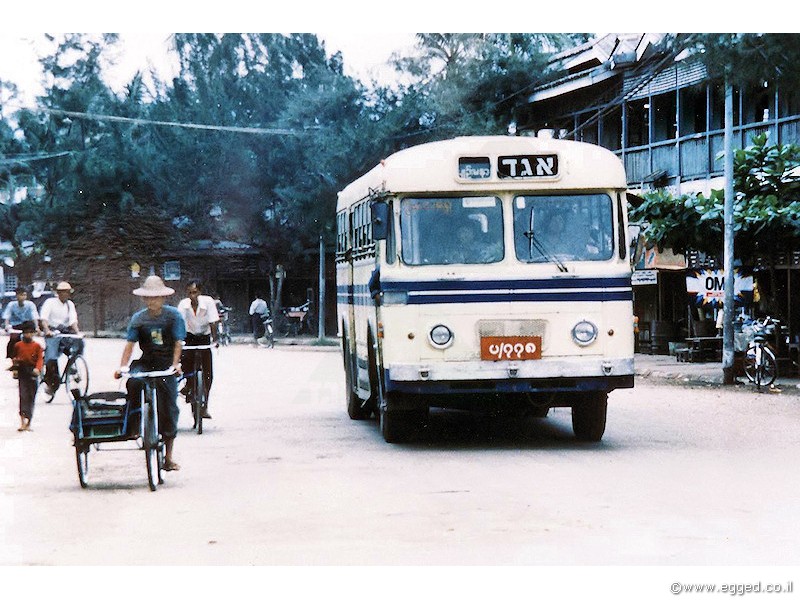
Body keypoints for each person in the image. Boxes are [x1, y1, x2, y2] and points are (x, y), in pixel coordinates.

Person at [114, 275, 185, 472]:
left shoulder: (174, 316)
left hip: (166, 363)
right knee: (133, 382)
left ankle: (168, 458)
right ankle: (135, 424)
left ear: (163, 298)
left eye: (156, 297)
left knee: (169, 406)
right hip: (146, 362)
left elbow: (179, 342)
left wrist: (175, 365)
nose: (152, 301)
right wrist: (122, 367)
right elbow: (130, 344)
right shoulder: (139, 318)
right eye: (148, 298)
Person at [177, 280, 219, 419]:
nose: (192, 296)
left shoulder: (208, 302)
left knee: (208, 372)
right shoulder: (184, 305)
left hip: (204, 337)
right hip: (189, 336)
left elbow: (213, 321)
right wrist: (179, 341)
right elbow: (180, 323)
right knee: (186, 362)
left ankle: (205, 406)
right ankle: (189, 386)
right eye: (189, 293)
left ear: (199, 292)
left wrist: (215, 340)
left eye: (195, 292)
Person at [39, 281, 83, 393]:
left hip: (65, 330)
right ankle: (52, 382)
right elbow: (44, 318)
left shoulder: (70, 304)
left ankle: (72, 366)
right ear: (58, 293)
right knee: (52, 356)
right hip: (53, 330)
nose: (65, 294)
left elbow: (73, 320)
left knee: (79, 344)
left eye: (67, 292)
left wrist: (77, 332)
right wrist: (47, 330)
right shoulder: (50, 302)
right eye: (63, 292)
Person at [12, 321, 43, 432]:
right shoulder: (18, 345)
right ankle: (22, 422)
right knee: (23, 395)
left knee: (31, 396)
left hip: (32, 371)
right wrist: (15, 370)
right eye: (26, 333)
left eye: (30, 333)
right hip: (22, 371)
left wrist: (37, 369)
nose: (28, 335)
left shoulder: (37, 346)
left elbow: (40, 359)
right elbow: (15, 358)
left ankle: (29, 422)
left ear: (34, 333)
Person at [3, 287, 40, 366]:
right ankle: (13, 360)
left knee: (30, 340)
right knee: (13, 340)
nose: (22, 297)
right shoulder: (11, 304)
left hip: (27, 325)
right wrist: (6, 326)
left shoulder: (30, 304)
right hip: (16, 326)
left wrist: (37, 327)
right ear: (16, 296)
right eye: (20, 295)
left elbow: (34, 316)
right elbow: (7, 316)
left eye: (24, 295)